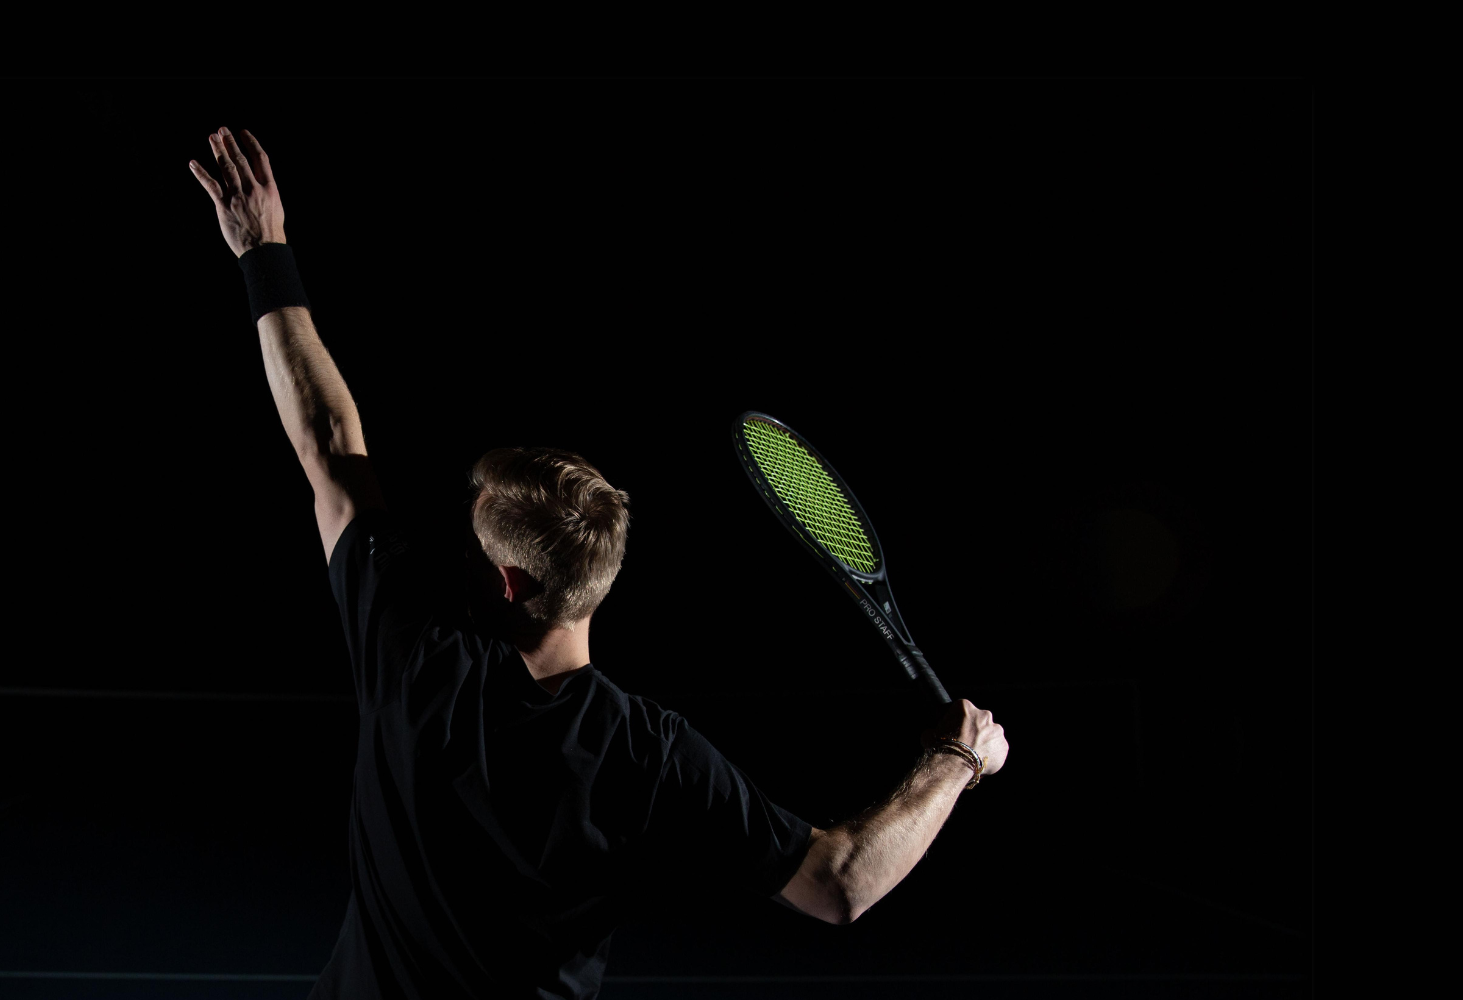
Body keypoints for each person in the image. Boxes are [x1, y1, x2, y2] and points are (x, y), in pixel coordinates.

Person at [187, 126, 1012, 1000]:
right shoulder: (647, 756)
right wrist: (952, 763)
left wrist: (263, 252)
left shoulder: (414, 659)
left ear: (506, 583)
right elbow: (839, 883)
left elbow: (329, 441)